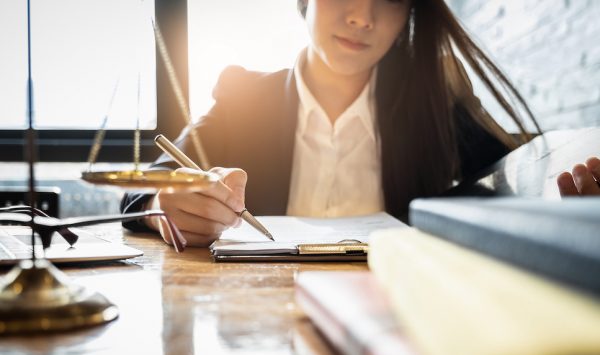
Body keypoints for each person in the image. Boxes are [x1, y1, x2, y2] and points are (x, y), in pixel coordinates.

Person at [121, 0, 596, 247]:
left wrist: (572, 200)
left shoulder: (432, 101)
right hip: (262, 323)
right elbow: (142, 188)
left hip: (397, 322)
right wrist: (165, 203)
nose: (362, 17)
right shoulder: (244, 96)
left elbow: (520, 179)